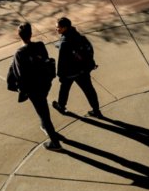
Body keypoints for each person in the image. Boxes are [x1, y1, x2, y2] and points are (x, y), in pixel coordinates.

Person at [7, 23, 63, 151]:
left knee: (43, 113)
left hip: (33, 89)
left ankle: (55, 143)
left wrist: (22, 90)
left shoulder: (19, 53)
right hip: (45, 84)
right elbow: (46, 60)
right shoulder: (40, 45)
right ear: (31, 34)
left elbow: (20, 75)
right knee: (42, 108)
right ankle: (45, 127)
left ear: (19, 35)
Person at [52, 17, 102, 117]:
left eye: (58, 27)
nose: (56, 29)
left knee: (64, 89)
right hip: (83, 71)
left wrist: (60, 75)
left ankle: (61, 106)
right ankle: (96, 110)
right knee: (89, 90)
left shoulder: (64, 43)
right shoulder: (79, 36)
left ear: (65, 28)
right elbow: (89, 50)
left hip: (70, 73)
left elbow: (62, 62)